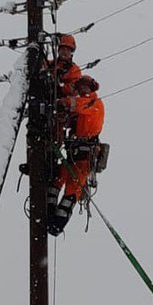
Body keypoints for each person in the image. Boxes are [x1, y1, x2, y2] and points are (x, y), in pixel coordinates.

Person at [48, 74, 104, 235]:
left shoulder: (94, 103)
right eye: (80, 87)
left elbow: (77, 105)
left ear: (91, 89)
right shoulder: (83, 105)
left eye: (85, 87)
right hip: (74, 153)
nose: (82, 90)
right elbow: (71, 117)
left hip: (85, 156)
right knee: (57, 180)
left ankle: (58, 224)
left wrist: (60, 102)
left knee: (72, 190)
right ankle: (49, 213)